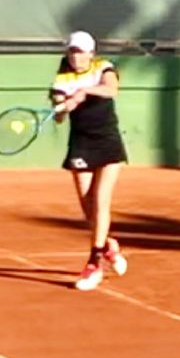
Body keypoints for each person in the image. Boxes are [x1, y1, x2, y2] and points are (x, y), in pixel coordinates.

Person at [50, 30, 128, 291]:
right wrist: (61, 107)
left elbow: (111, 89)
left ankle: (94, 263)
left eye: (82, 51)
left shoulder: (103, 68)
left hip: (108, 141)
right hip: (81, 144)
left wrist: (84, 92)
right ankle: (108, 246)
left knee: (102, 200)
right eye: (73, 51)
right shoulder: (62, 78)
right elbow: (59, 110)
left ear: (92, 53)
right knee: (88, 208)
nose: (77, 56)